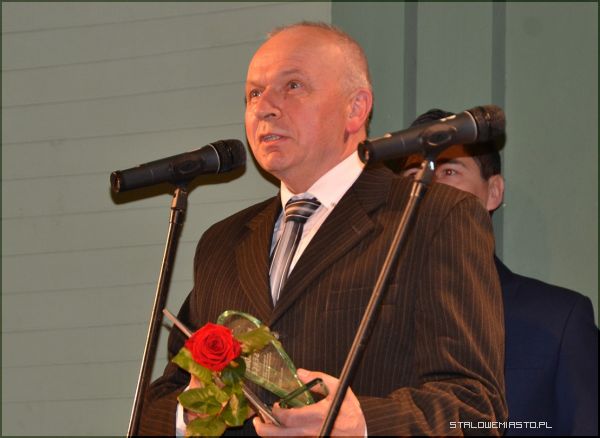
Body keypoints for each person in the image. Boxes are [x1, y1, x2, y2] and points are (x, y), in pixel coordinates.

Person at [139, 23, 507, 436]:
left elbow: (476, 411)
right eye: (254, 93)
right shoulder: (222, 242)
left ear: (356, 108)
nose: (264, 107)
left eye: (293, 86)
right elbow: (162, 401)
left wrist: (363, 424)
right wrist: (190, 414)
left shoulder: (434, 216)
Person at [401, 109, 599, 436]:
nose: (428, 187)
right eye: (413, 176)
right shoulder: (366, 315)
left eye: (449, 171)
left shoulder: (559, 319)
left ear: (493, 192)